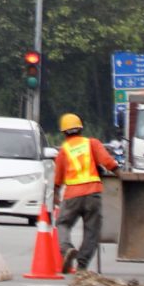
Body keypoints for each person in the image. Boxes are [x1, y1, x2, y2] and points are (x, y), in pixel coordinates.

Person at [48, 113, 119, 274]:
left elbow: (58, 177)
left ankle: (66, 249)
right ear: (80, 128)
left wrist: (56, 195)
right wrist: (122, 176)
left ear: (64, 132)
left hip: (72, 195)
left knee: (63, 223)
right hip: (93, 194)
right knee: (92, 231)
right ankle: (82, 265)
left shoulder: (64, 151)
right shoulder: (92, 143)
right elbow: (108, 162)